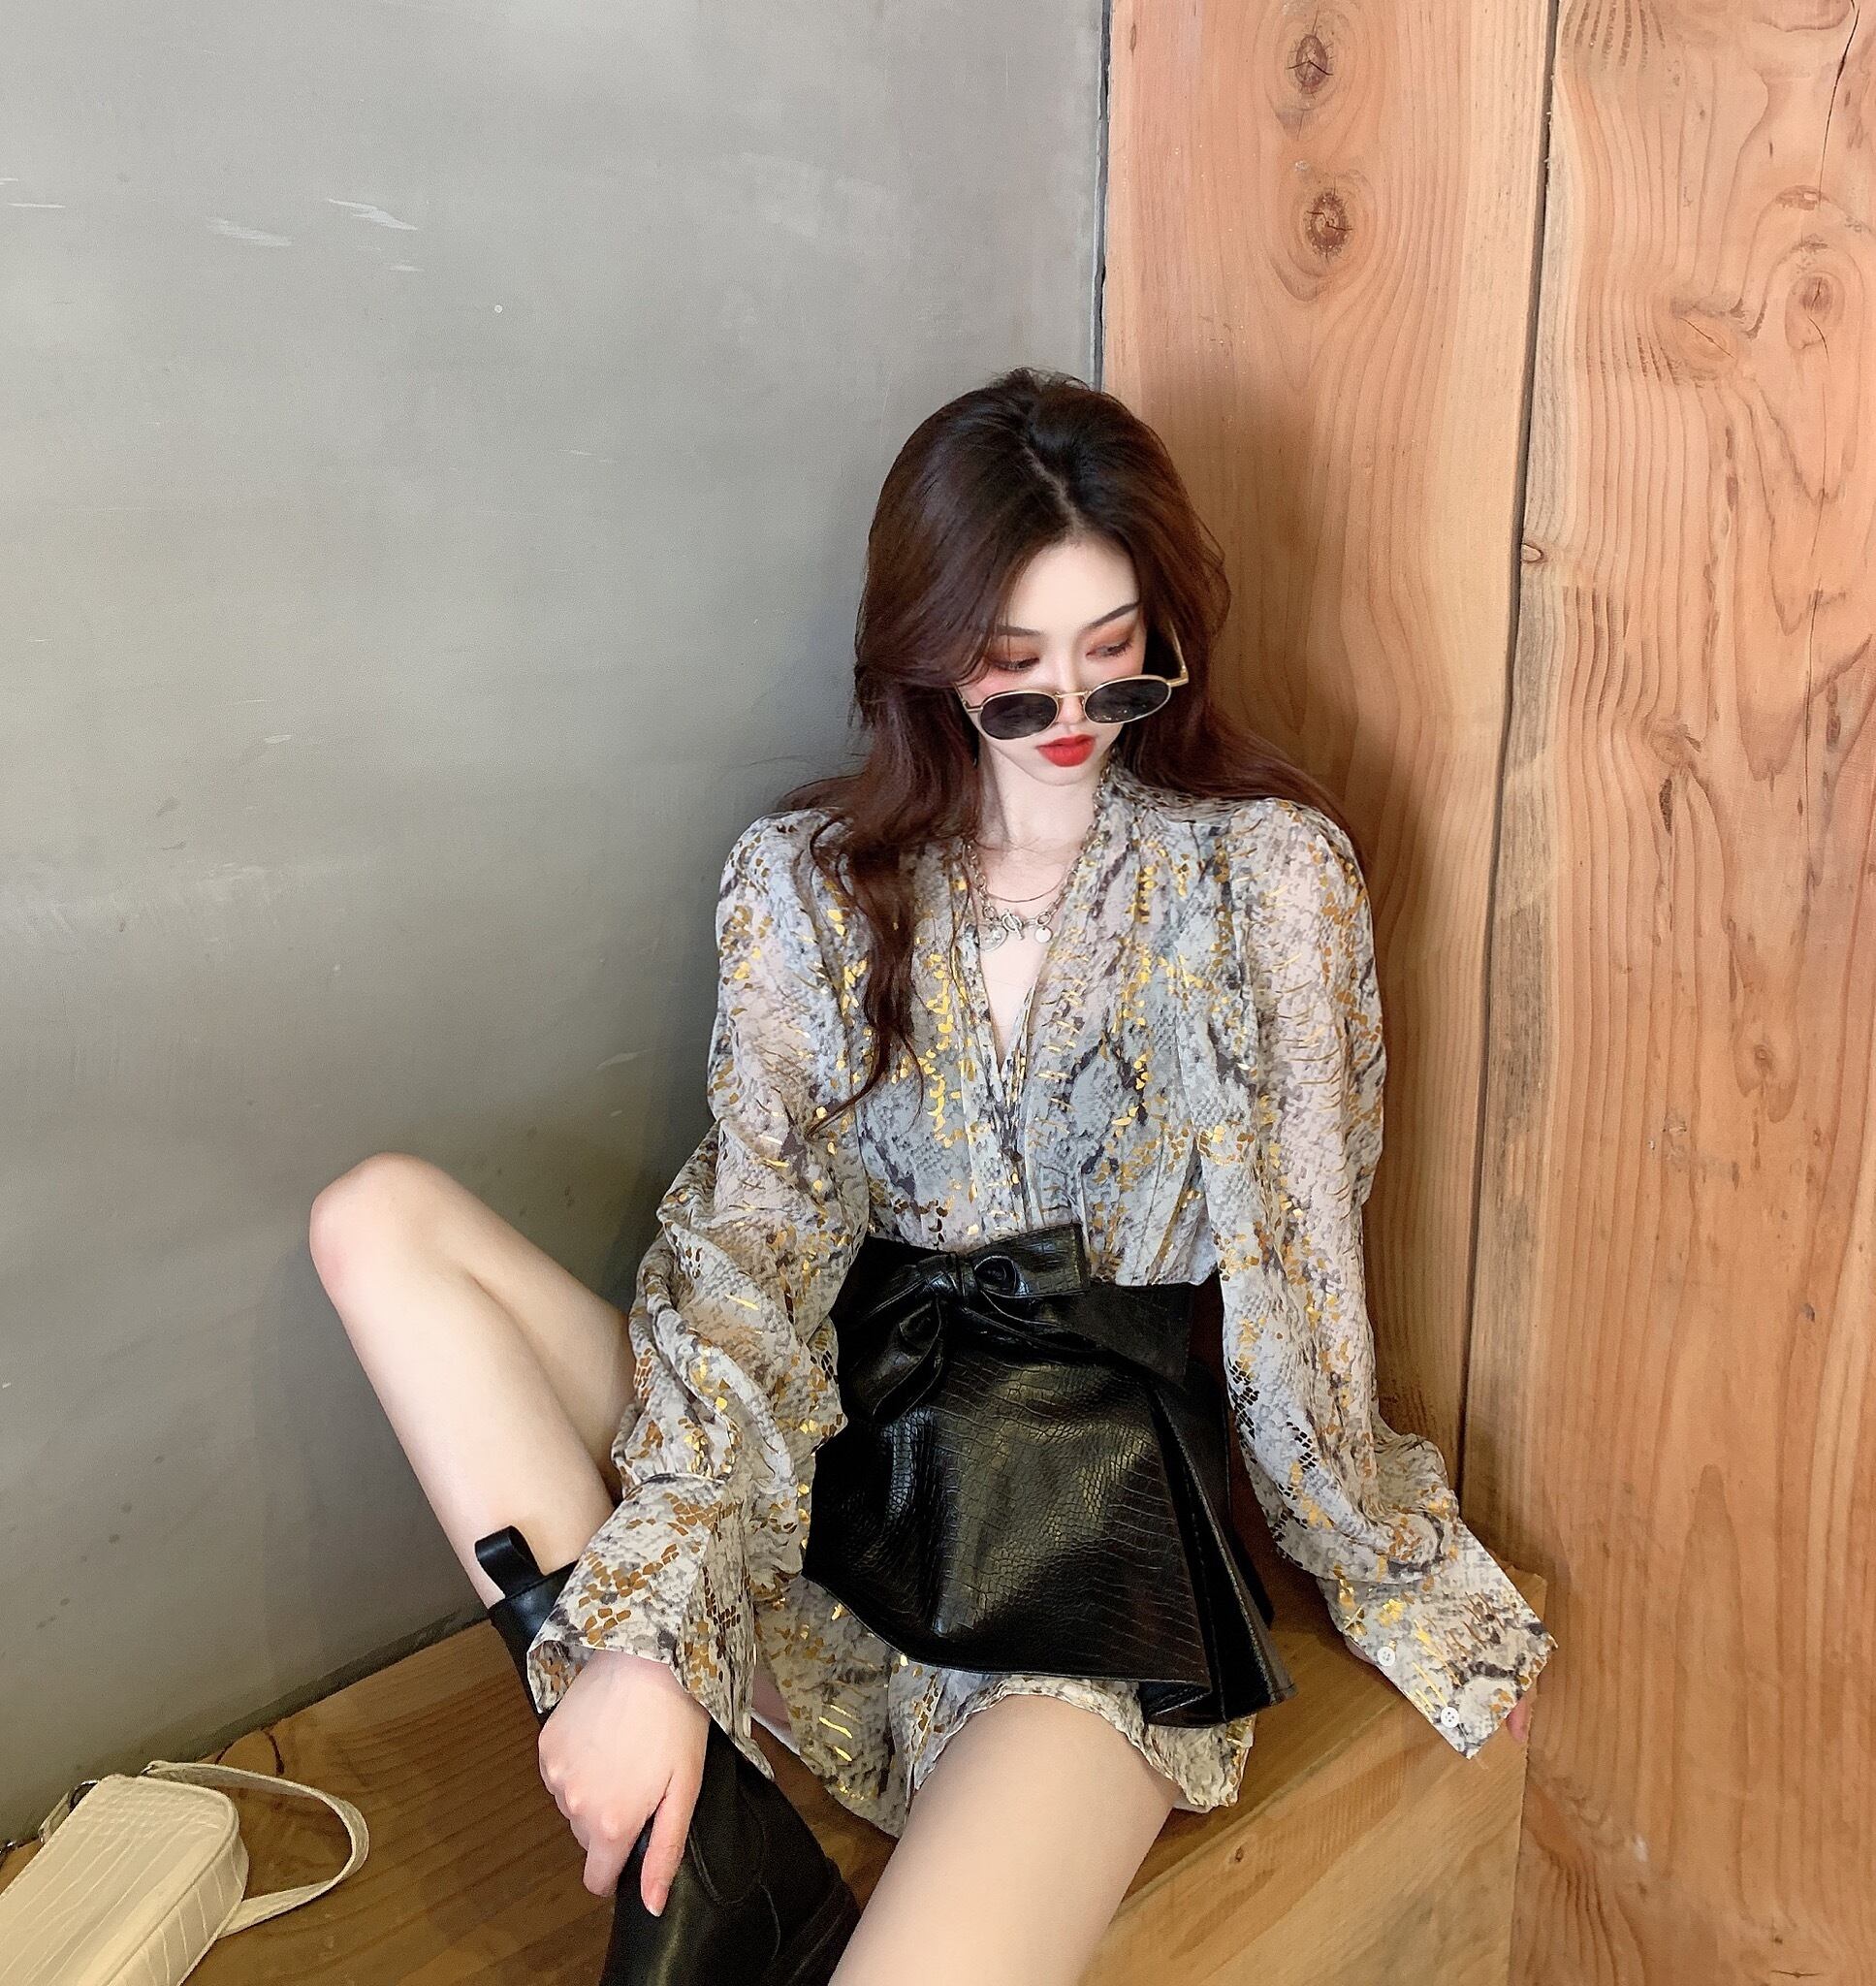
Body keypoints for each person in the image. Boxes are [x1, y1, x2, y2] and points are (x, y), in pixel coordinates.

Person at [308, 367, 1554, 1986]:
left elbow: (1301, 1276)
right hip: (842, 1467)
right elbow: (750, 1264)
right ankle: (713, 1837)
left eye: (1116, 657)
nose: (1073, 718)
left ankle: (718, 1836)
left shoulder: (1262, 882)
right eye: (1013, 673)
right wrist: (654, 1638)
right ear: (925, 655)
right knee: (380, 1226)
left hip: (1088, 1544)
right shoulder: (810, 888)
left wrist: (1403, 1583)